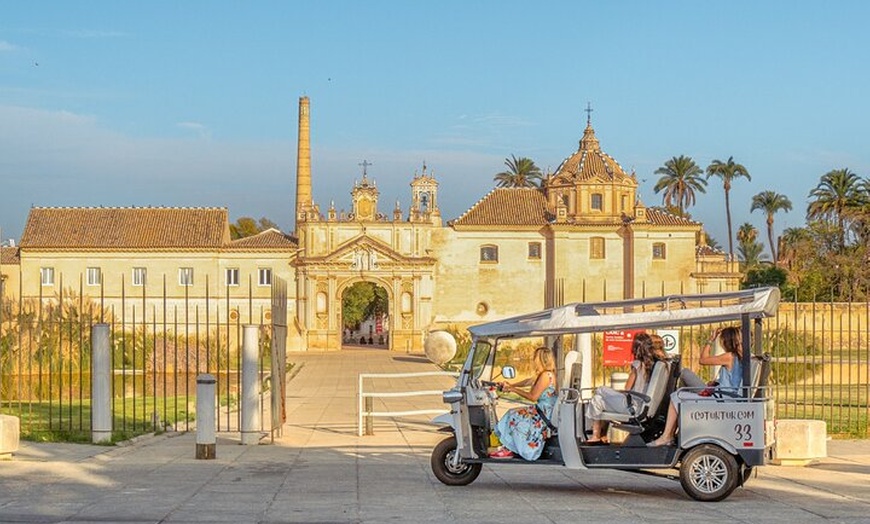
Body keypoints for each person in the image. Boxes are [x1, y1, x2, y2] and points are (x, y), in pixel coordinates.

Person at [647, 326, 743, 447]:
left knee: (676, 396)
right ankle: (672, 432)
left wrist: (710, 340)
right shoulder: (739, 356)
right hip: (724, 395)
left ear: (726, 341)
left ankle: (666, 436)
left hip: (721, 399)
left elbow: (703, 360)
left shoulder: (730, 356)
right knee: (680, 393)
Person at [584, 332, 659, 444]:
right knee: (597, 400)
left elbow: (627, 388)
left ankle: (596, 435)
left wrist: (615, 393)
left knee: (600, 390)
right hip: (642, 405)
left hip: (632, 406)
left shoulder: (637, 365)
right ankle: (600, 436)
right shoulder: (653, 365)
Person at [489, 346, 558, 460]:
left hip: (543, 413)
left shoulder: (546, 376)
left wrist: (512, 389)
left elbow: (533, 397)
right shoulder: (546, 374)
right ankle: (510, 447)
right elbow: (528, 381)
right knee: (515, 414)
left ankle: (510, 448)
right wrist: (511, 385)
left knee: (512, 415)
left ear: (541, 359)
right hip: (543, 409)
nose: (533, 361)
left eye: (535, 358)